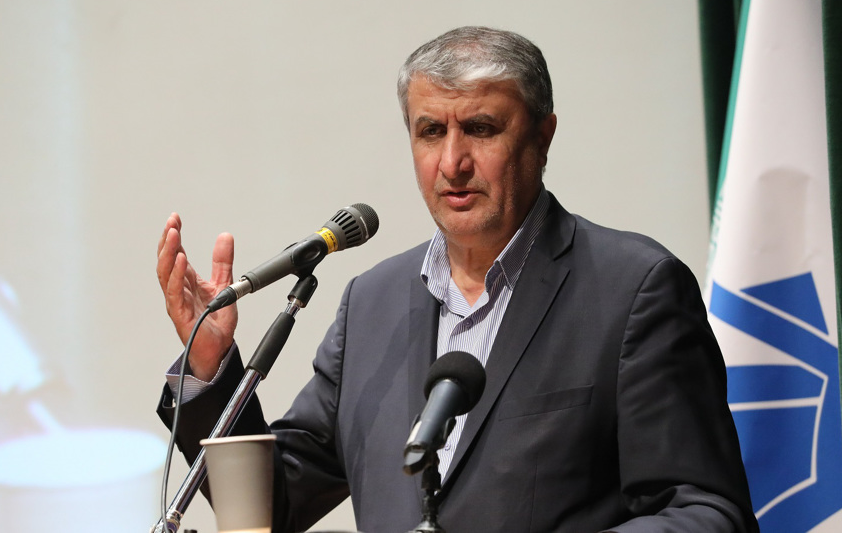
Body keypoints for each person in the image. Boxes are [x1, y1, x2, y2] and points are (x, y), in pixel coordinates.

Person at [156, 26, 758, 532]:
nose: (452, 163)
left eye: (481, 129)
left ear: (542, 138)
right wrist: (211, 368)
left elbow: (705, 511)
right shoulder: (373, 304)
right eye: (431, 132)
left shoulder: (633, 290)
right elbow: (277, 502)